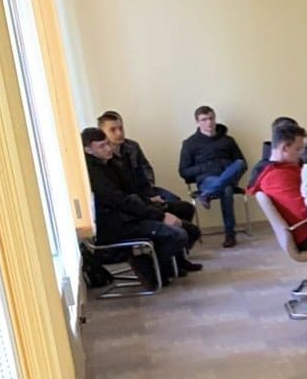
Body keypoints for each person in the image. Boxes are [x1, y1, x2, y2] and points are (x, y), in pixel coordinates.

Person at [85, 127, 199, 288]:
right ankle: (151, 267)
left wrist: (149, 202)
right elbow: (120, 201)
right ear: (88, 150)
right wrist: (159, 215)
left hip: (130, 214)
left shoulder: (111, 164)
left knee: (189, 227)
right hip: (117, 225)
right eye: (101, 146)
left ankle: (161, 266)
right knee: (178, 234)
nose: (108, 149)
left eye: (107, 144)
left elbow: (131, 191)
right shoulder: (92, 173)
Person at [246, 122, 307, 252]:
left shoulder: (285, 168)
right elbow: (304, 212)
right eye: (298, 149)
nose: (301, 154)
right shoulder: (277, 176)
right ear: (284, 148)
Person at [98, 111, 192, 221]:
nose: (119, 133)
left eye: (121, 128)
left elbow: (146, 169)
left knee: (179, 203)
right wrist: (146, 200)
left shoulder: (132, 146)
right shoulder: (103, 157)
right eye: (113, 130)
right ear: (102, 133)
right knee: (166, 208)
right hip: (130, 198)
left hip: (145, 189)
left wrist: (149, 189)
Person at [177, 105, 248, 247]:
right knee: (226, 188)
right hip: (207, 180)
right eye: (204, 120)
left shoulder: (228, 140)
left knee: (240, 164)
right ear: (197, 122)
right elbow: (183, 171)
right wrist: (207, 167)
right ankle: (230, 234)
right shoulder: (190, 143)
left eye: (211, 118)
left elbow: (242, 164)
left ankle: (207, 194)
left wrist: (225, 168)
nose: (209, 123)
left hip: (228, 176)